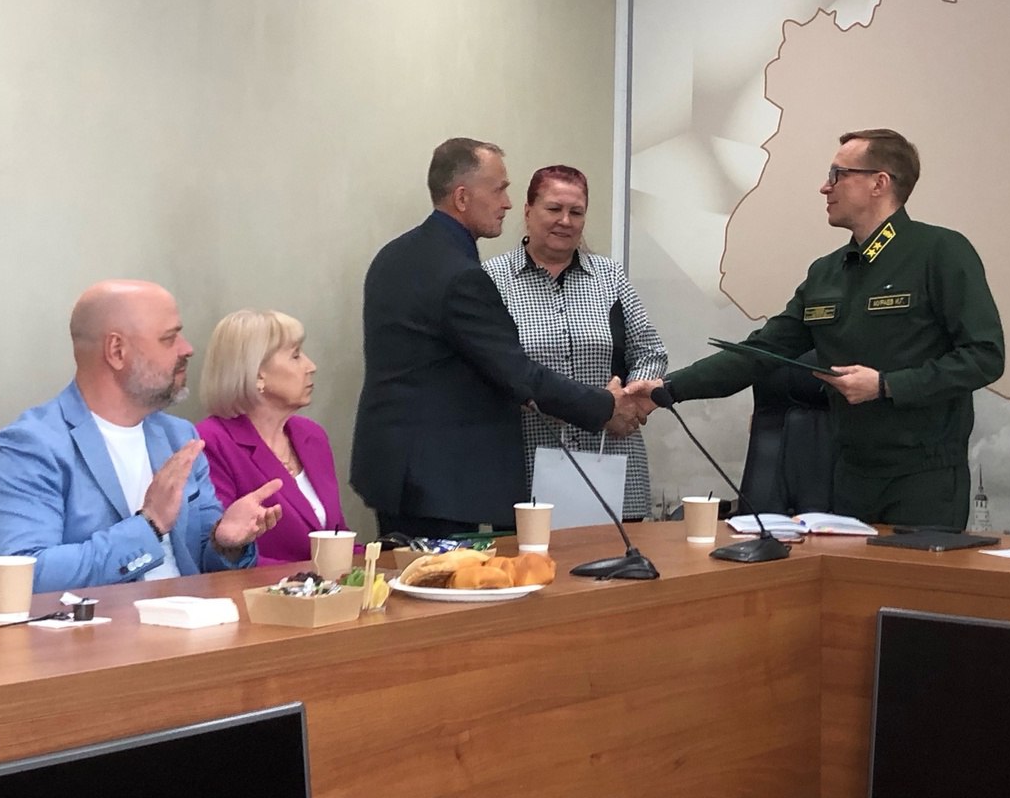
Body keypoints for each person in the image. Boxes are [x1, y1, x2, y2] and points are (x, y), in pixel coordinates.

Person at [634, 129, 1004, 529]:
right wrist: (665, 389)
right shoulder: (827, 272)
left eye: (838, 174)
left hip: (924, 479)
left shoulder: (940, 252)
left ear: (879, 183)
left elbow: (984, 357)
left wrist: (886, 385)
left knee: (908, 574)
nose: (825, 187)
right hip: (849, 476)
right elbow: (761, 352)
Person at [350, 137, 644, 539]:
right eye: (499, 189)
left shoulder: (394, 255)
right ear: (462, 197)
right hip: (438, 481)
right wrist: (604, 405)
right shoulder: (461, 275)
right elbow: (516, 373)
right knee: (442, 580)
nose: (506, 203)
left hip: (396, 470)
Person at [0, 280, 283, 593]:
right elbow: (24, 578)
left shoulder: (179, 437)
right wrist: (149, 525)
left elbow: (204, 565)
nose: (187, 348)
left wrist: (226, 543)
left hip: (195, 618)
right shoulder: (27, 447)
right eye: (169, 338)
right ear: (117, 351)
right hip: (102, 624)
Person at [483, 165, 667, 519]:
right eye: (554, 209)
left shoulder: (610, 276)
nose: (565, 221)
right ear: (528, 211)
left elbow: (650, 351)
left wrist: (627, 401)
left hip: (613, 454)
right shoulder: (492, 279)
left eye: (576, 212)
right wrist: (589, 407)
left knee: (622, 554)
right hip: (529, 461)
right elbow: (492, 371)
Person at [197, 310, 355, 566]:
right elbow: (216, 556)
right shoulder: (211, 442)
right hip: (264, 589)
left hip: (325, 587)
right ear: (257, 373)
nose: (311, 366)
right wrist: (311, 578)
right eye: (296, 355)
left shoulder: (311, 436)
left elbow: (337, 537)